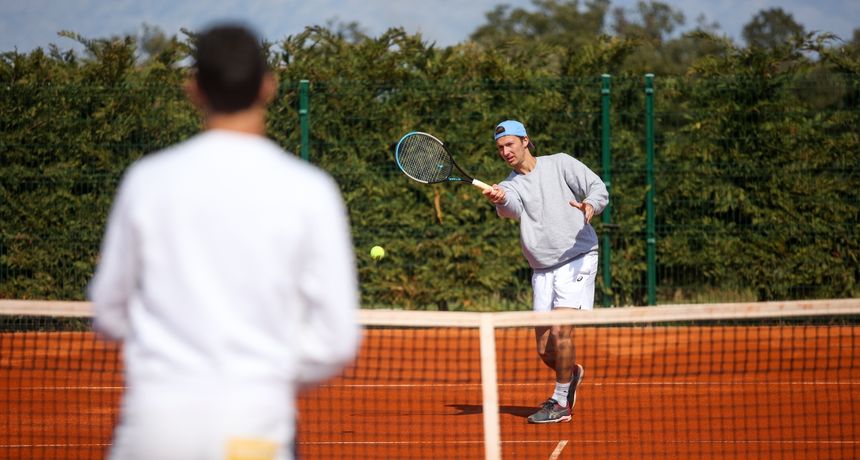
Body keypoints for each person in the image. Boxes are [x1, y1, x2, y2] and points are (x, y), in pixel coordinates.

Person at [88, 24, 361, 459]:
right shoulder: (311, 190)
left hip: (156, 427)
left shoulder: (147, 181)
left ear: (194, 89)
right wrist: (265, 376)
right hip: (254, 427)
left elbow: (108, 310)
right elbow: (335, 341)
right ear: (268, 87)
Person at [482, 120, 608, 424]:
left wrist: (591, 205)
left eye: (510, 144)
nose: (505, 151)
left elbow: (598, 188)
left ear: (526, 141)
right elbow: (510, 205)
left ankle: (561, 402)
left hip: (578, 257)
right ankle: (571, 373)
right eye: (500, 148)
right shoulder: (509, 185)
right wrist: (500, 199)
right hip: (542, 270)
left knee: (563, 332)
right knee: (544, 350)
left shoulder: (561, 164)